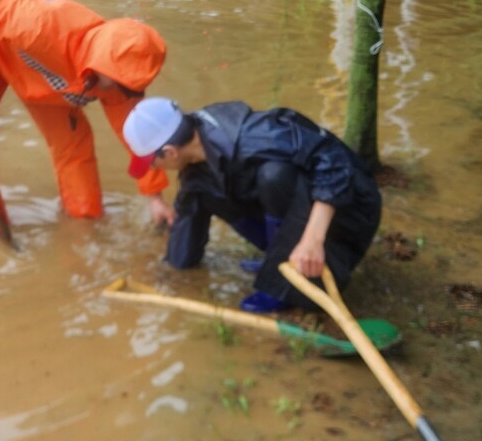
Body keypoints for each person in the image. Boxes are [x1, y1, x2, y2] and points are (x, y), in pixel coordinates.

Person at [0, 0, 174, 229]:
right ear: (102, 62)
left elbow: (135, 139)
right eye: (119, 81)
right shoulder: (38, 22)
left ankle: (84, 222)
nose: (122, 91)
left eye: (131, 86)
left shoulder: (120, 85)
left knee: (74, 145)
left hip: (43, 79)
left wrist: (156, 198)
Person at [122, 97, 381, 312]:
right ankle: (277, 260)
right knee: (202, 189)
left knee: (274, 175)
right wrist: (171, 273)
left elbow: (335, 162)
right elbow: (189, 211)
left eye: (152, 163)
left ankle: (284, 281)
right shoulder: (198, 148)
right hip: (307, 206)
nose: (155, 169)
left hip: (352, 209)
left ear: (169, 152)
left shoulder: (257, 136)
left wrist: (312, 239)